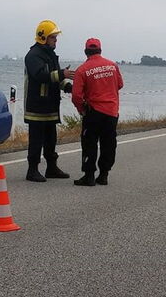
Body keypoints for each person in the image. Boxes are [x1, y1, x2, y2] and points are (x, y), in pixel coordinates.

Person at [23, 19, 75, 182]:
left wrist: (68, 86)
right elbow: (40, 76)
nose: (56, 41)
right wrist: (62, 74)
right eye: (53, 37)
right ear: (43, 37)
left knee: (51, 139)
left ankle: (51, 168)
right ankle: (32, 170)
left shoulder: (51, 55)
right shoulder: (33, 56)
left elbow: (56, 77)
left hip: (51, 105)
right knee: (36, 140)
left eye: (56, 37)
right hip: (37, 106)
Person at [71, 38, 124, 186]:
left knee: (90, 143)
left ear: (86, 51)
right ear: (100, 50)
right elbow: (120, 84)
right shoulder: (112, 66)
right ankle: (104, 174)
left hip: (93, 112)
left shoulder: (82, 70)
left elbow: (76, 96)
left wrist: (81, 109)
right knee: (109, 143)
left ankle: (89, 176)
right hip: (111, 112)